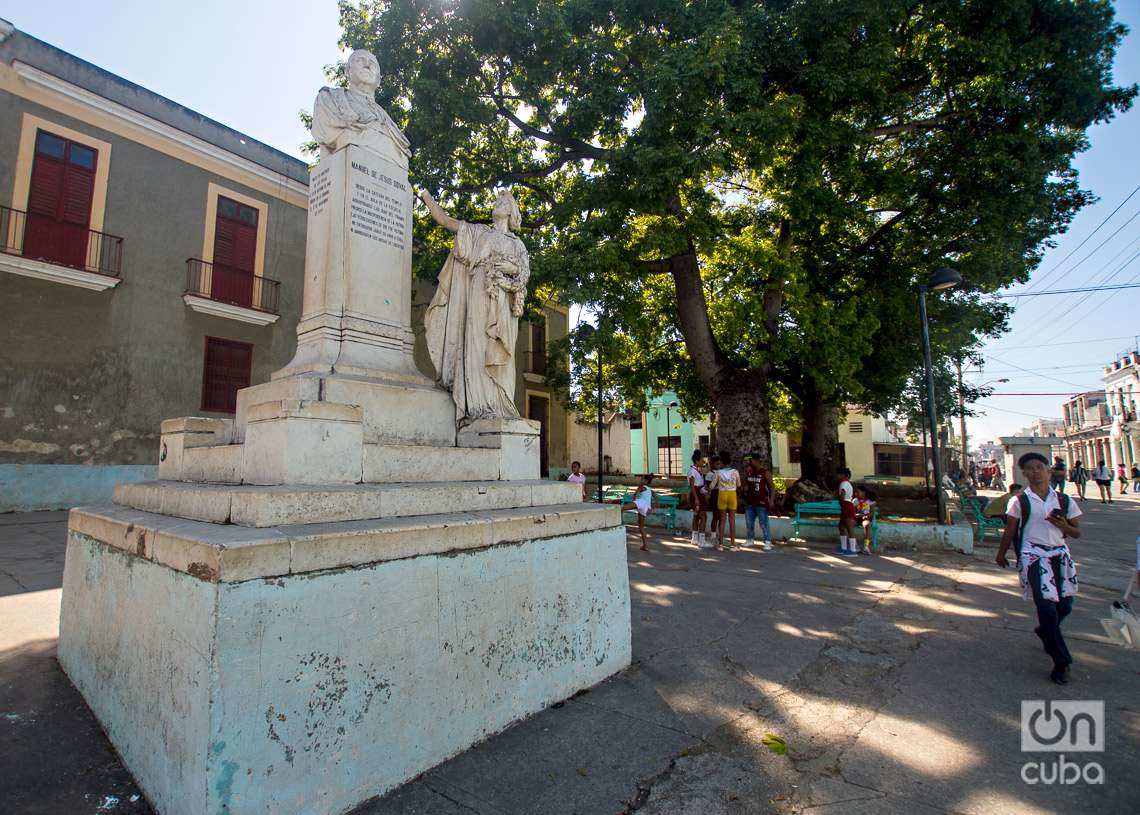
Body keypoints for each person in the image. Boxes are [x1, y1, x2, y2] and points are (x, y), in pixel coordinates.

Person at [422, 187, 530, 421]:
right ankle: (479, 404)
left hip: (502, 299)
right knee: (476, 346)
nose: (498, 204)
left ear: (512, 212)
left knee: (497, 349)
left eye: (504, 202)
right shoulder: (479, 233)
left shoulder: (518, 244)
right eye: (497, 201)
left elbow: (523, 274)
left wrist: (507, 269)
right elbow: (446, 221)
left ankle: (499, 404)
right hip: (478, 293)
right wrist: (426, 197)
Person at [996, 452, 1082, 685]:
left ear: (1048, 470)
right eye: (1030, 469)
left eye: (1039, 467)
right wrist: (1001, 553)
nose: (1035, 472)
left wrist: (1064, 525)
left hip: (1059, 555)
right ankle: (1062, 662)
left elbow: (1076, 532)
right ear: (1024, 473)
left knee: (1064, 605)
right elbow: (1011, 531)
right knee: (1046, 607)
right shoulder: (1019, 501)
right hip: (1033, 556)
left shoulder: (1064, 501)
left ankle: (1046, 632)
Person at [743, 455, 775, 551]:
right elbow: (746, 485)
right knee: (749, 522)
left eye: (751, 460)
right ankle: (750, 539)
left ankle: (768, 541)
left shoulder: (765, 472)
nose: (749, 462)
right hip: (750, 501)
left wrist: (772, 500)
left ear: (756, 461)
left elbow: (772, 487)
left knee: (763, 522)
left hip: (761, 502)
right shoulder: (749, 472)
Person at [715, 452, 741, 550]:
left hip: (722, 494)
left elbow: (712, 485)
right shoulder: (735, 472)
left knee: (722, 520)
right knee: (732, 520)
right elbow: (739, 484)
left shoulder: (718, 472)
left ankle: (721, 544)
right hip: (732, 494)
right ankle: (733, 545)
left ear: (721, 462)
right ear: (730, 461)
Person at [625, 474, 655, 552]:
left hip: (641, 503)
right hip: (646, 507)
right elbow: (656, 497)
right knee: (641, 527)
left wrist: (634, 499)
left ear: (646, 481)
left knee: (622, 508)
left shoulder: (642, 486)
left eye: (642, 479)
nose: (640, 480)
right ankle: (645, 546)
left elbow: (635, 494)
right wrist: (651, 508)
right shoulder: (650, 489)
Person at [687, 450, 711, 548]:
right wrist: (696, 498)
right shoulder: (692, 471)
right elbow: (693, 486)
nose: (703, 462)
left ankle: (695, 538)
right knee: (703, 516)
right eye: (701, 460)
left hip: (699, 493)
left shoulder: (698, 470)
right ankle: (701, 540)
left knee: (696, 516)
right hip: (696, 494)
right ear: (697, 461)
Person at [836, 467, 858, 557]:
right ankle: (843, 547)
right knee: (841, 526)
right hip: (845, 506)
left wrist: (838, 499)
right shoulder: (845, 483)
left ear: (842, 475)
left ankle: (853, 549)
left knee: (849, 527)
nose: (836, 476)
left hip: (847, 505)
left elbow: (842, 495)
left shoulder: (844, 483)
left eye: (838, 474)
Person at [854, 487, 877, 555]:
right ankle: (855, 545)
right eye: (855, 492)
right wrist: (856, 514)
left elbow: (872, 513)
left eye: (858, 492)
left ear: (863, 492)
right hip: (857, 518)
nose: (856, 494)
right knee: (848, 524)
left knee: (867, 525)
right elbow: (853, 511)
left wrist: (862, 515)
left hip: (865, 517)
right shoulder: (855, 500)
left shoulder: (870, 501)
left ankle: (866, 546)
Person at [706, 455, 721, 540]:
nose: (718, 466)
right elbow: (709, 487)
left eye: (719, 464)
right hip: (715, 497)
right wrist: (718, 487)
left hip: (722, 497)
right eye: (717, 464)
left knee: (721, 517)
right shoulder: (710, 474)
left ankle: (720, 534)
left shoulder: (721, 472)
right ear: (712, 464)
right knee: (715, 516)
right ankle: (713, 534)